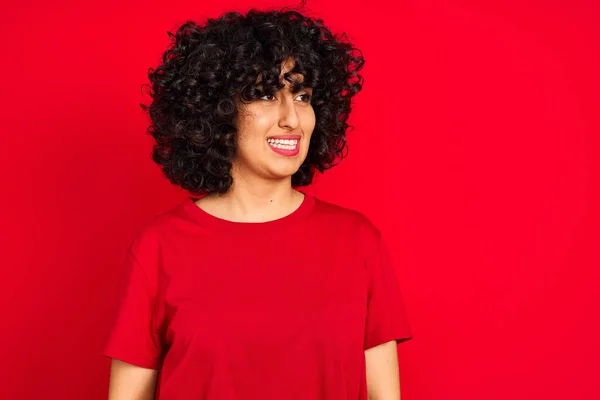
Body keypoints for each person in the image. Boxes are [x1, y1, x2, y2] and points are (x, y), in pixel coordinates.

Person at [103, 5, 412, 400]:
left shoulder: (358, 242)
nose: (291, 119)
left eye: (302, 95)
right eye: (265, 94)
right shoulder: (159, 247)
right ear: (218, 111)